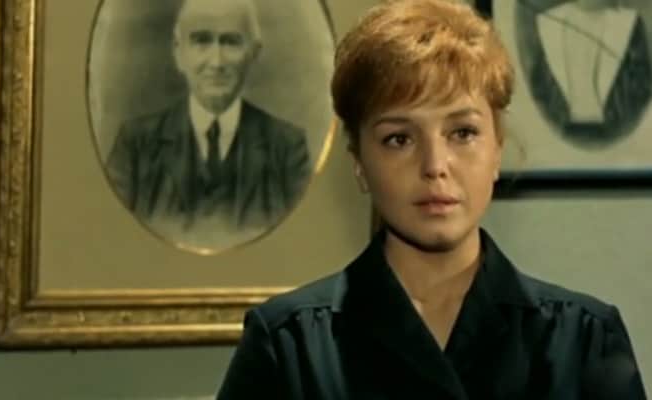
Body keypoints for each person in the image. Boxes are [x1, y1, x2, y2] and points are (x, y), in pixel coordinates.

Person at [216, 0, 647, 398]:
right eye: (399, 139)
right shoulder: (289, 345)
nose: (435, 165)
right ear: (359, 163)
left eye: (463, 133)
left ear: (497, 149)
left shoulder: (583, 340)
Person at [106, 0, 310, 232]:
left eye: (231, 42)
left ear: (253, 53)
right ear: (178, 52)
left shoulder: (287, 149)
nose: (216, 62)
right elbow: (110, 236)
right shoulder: (135, 146)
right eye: (201, 41)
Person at [532, 0, 651, 146]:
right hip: (562, 129)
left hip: (615, 128)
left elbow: (642, 83)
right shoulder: (548, 22)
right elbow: (540, 87)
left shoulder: (629, 22)